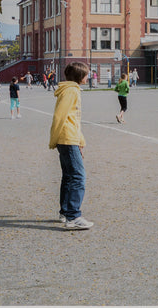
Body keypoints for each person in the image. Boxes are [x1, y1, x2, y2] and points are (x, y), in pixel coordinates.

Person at [49, 61, 93, 230]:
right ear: (79, 76)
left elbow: (73, 119)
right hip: (66, 138)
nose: (88, 77)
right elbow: (60, 116)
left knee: (68, 176)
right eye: (86, 74)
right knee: (78, 177)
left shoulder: (71, 90)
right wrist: (54, 139)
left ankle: (65, 211)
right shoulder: (71, 91)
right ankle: (73, 216)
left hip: (69, 137)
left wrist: (80, 141)